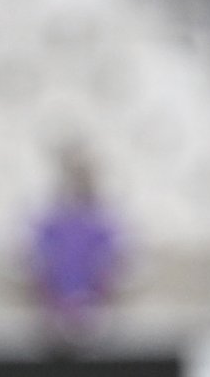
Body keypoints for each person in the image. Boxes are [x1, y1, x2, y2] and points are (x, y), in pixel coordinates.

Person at [30, 145, 124, 353]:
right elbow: (40, 262)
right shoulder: (51, 223)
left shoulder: (102, 224)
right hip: (59, 305)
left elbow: (110, 264)